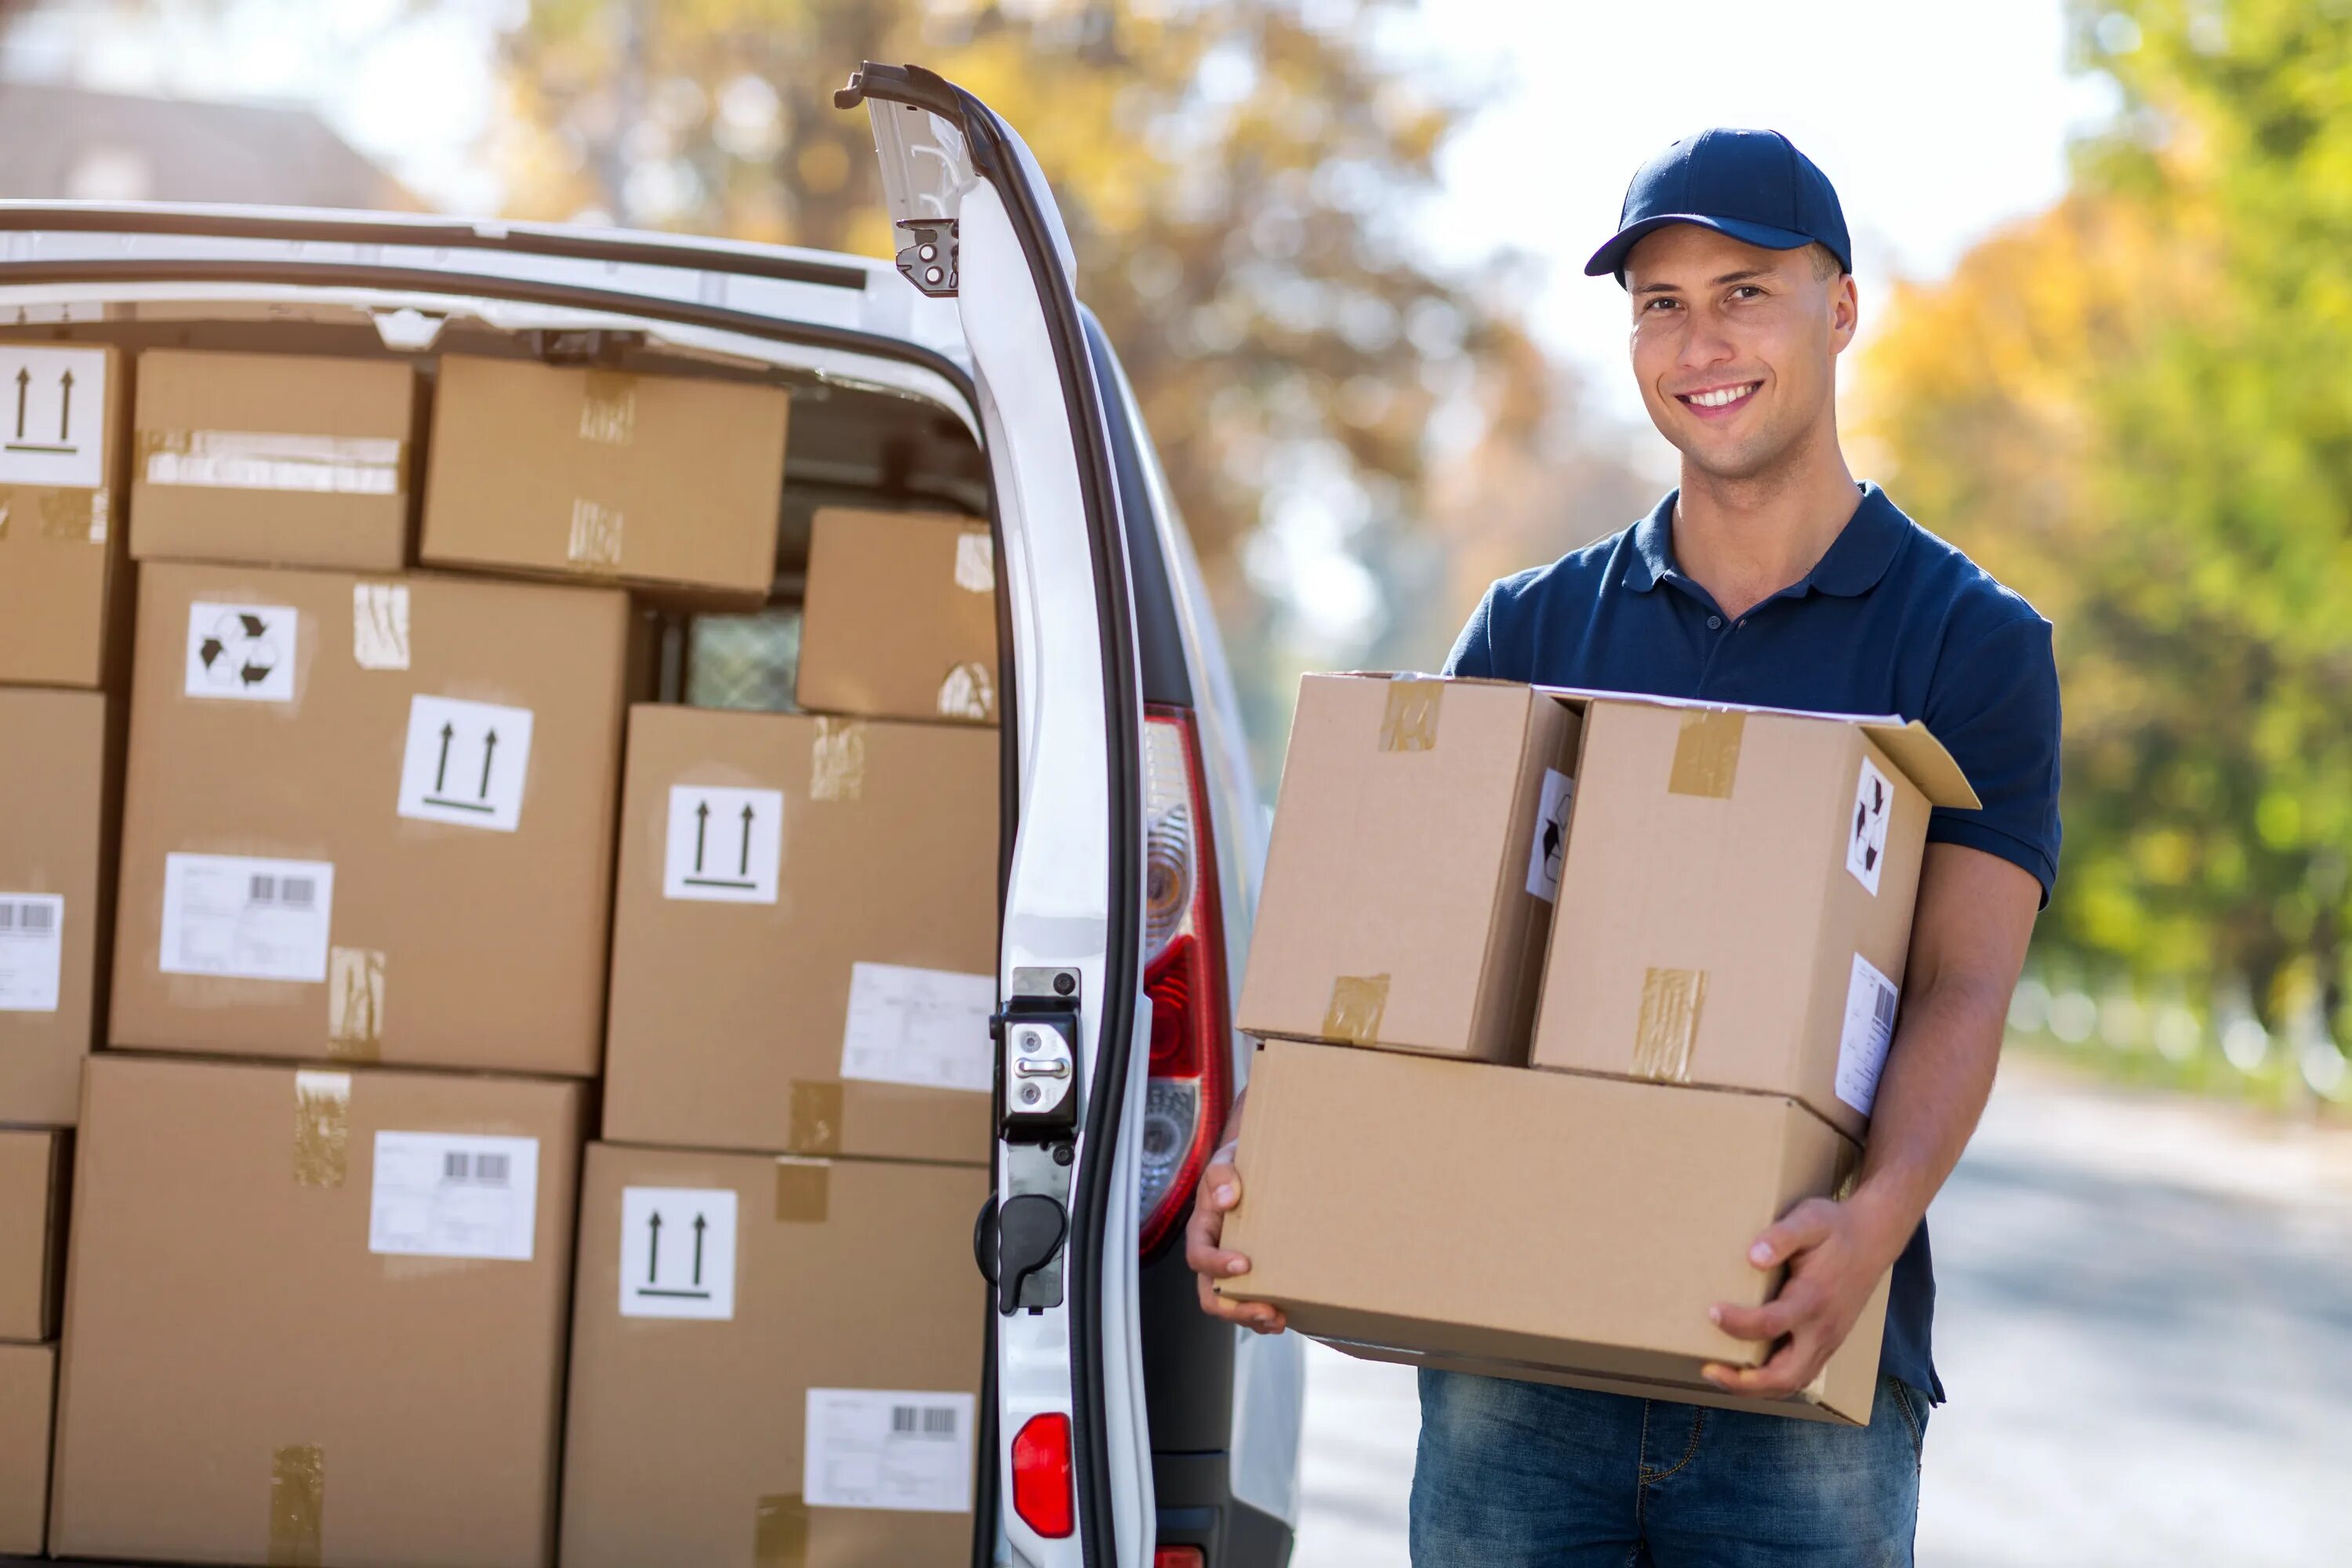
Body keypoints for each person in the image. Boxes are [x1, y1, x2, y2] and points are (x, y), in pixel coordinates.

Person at [1185, 128, 2061, 1566]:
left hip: (1794, 1357)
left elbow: (1964, 985)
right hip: (1514, 1384)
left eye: (1744, 292)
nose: (1699, 341)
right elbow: (1401, 961)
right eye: (1660, 303)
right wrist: (1281, 1171)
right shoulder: (1532, 632)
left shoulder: (1970, 643)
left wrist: (1875, 1225)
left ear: (1840, 310)